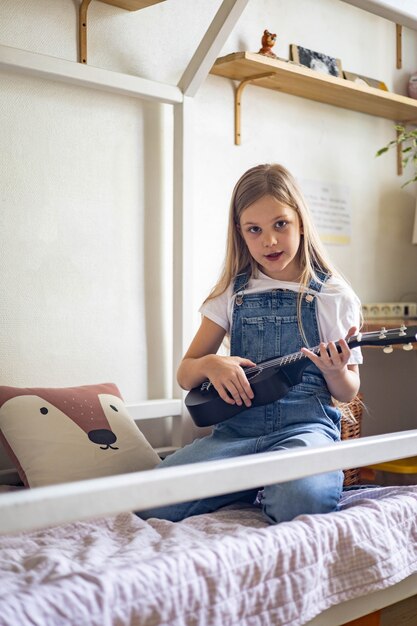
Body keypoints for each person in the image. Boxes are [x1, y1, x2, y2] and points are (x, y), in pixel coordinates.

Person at [140, 163, 362, 524]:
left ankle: (268, 484)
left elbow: (349, 390)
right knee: (149, 500)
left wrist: (336, 372)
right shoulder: (232, 292)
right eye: (254, 230)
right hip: (235, 434)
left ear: (301, 222)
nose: (269, 241)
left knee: (300, 503)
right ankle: (246, 482)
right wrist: (211, 364)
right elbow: (186, 373)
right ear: (240, 233)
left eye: (280, 224)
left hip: (303, 430)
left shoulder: (332, 295)